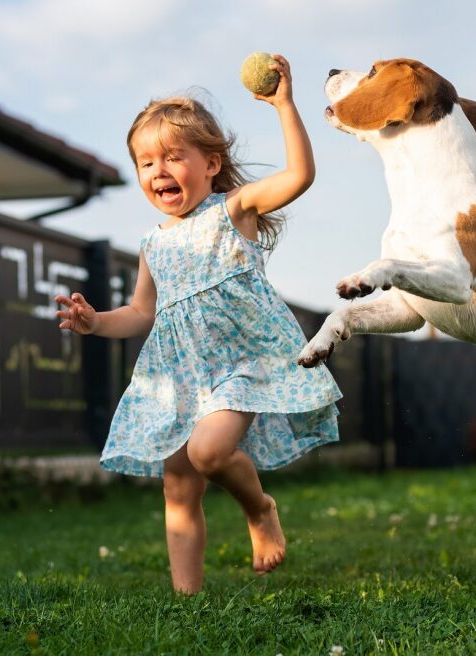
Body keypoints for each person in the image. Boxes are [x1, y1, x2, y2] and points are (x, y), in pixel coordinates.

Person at [54, 55, 341, 595]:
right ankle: (187, 599)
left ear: (210, 164)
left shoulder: (234, 211)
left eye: (172, 157)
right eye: (145, 163)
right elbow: (140, 313)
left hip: (243, 363)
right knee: (179, 487)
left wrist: (284, 106)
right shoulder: (153, 244)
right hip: (178, 379)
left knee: (210, 453)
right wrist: (95, 322)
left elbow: (300, 174)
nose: (158, 170)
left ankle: (259, 509)